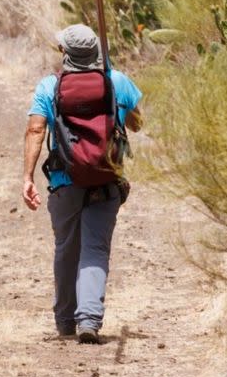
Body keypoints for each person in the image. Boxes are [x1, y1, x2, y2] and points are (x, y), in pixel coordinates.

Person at [22, 23, 143, 344]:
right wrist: (121, 98)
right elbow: (138, 124)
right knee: (95, 249)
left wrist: (27, 177)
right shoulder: (115, 81)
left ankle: (65, 322)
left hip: (64, 181)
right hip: (107, 179)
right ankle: (88, 319)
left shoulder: (50, 87)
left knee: (66, 249)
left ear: (65, 54)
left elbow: (36, 130)